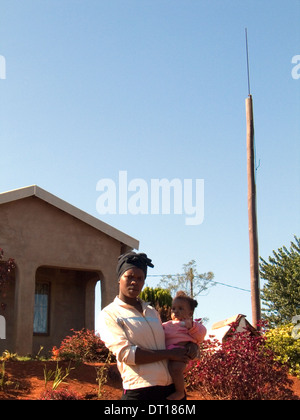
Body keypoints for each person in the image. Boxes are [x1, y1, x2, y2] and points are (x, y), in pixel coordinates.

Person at [97, 252, 191, 400]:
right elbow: (127, 354)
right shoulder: (110, 314)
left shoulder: (152, 312)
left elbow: (169, 341)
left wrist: (191, 347)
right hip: (140, 391)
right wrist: (169, 354)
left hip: (171, 391)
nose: (135, 282)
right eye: (130, 277)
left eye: (140, 278)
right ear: (119, 279)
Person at [162, 291, 207, 400]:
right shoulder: (167, 325)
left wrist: (191, 326)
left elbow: (202, 334)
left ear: (190, 313)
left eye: (181, 309)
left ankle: (180, 392)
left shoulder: (190, 325)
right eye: (173, 308)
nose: (176, 311)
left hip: (183, 354)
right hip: (169, 352)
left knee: (175, 369)